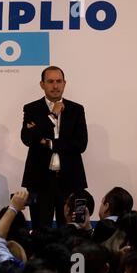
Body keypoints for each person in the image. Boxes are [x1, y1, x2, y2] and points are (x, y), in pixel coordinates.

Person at [21, 66, 88, 230]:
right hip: (40, 180)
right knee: (40, 229)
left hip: (70, 180)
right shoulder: (31, 109)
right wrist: (52, 116)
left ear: (64, 83)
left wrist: (50, 143)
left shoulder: (76, 109)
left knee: (71, 230)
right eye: (50, 81)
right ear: (42, 84)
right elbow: (28, 139)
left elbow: (80, 144)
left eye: (59, 81)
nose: (55, 86)